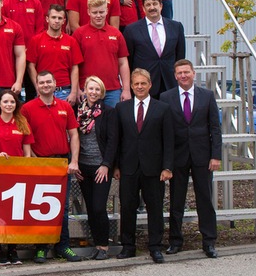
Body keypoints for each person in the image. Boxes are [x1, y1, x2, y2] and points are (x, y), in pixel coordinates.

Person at [104, 68, 174, 263]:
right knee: (127, 207)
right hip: (128, 167)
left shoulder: (163, 108)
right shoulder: (122, 108)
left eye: (143, 83)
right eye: (136, 84)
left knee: (155, 208)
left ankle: (155, 247)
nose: (140, 87)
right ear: (132, 86)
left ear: (150, 85)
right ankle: (128, 246)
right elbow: (116, 140)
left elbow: (168, 140)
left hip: (154, 168)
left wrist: (167, 167)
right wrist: (116, 166)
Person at [162, 59, 222, 258]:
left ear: (194, 73)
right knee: (176, 201)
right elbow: (165, 132)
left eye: (186, 72)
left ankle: (209, 241)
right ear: (175, 75)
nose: (183, 76)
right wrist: (166, 162)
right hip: (178, 157)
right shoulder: (166, 97)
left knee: (204, 199)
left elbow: (215, 127)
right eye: (179, 73)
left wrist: (215, 155)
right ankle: (175, 241)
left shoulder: (207, 96)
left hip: (202, 156)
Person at [20, 70, 82, 263]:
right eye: (41, 82)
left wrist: (74, 161)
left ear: (55, 84)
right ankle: (41, 248)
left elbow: (74, 135)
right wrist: (32, 159)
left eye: (49, 82)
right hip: (40, 163)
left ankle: (63, 246)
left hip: (62, 163)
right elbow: (24, 138)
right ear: (36, 85)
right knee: (40, 207)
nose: (45, 85)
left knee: (61, 208)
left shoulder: (65, 107)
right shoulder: (27, 108)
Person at [0, 91, 34, 268]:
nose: (8, 104)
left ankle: (13, 248)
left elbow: (27, 152)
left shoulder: (22, 123)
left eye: (12, 101)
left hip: (17, 175)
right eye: (5, 101)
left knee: (14, 212)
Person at [75, 77, 117, 261]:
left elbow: (113, 141)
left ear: (102, 92)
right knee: (91, 208)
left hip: (101, 167)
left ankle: (104, 246)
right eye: (90, 88)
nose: (93, 92)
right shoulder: (77, 111)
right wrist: (75, 163)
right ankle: (96, 244)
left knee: (100, 207)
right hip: (83, 167)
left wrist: (106, 165)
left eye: (97, 89)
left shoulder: (108, 112)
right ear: (84, 89)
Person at [123, 0, 185, 98]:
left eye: (155, 4)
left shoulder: (176, 27)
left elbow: (180, 56)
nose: (152, 7)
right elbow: (129, 60)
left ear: (161, 6)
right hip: (144, 85)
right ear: (143, 8)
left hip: (169, 83)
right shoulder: (131, 30)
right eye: (148, 5)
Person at [75, 0, 131, 107]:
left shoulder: (116, 34)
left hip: (113, 91)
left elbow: (123, 63)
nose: (99, 15)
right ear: (88, 12)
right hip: (88, 90)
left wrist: (126, 89)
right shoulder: (79, 34)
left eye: (101, 12)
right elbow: (74, 65)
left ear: (107, 11)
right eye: (95, 12)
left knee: (112, 123)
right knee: (88, 124)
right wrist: (76, 89)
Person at [25, 4, 83, 105]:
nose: (56, 21)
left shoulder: (71, 41)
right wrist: (38, 88)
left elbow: (75, 68)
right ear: (47, 19)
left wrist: (73, 92)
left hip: (64, 91)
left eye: (60, 18)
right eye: (53, 17)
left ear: (64, 21)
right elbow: (31, 66)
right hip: (43, 90)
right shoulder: (36, 40)